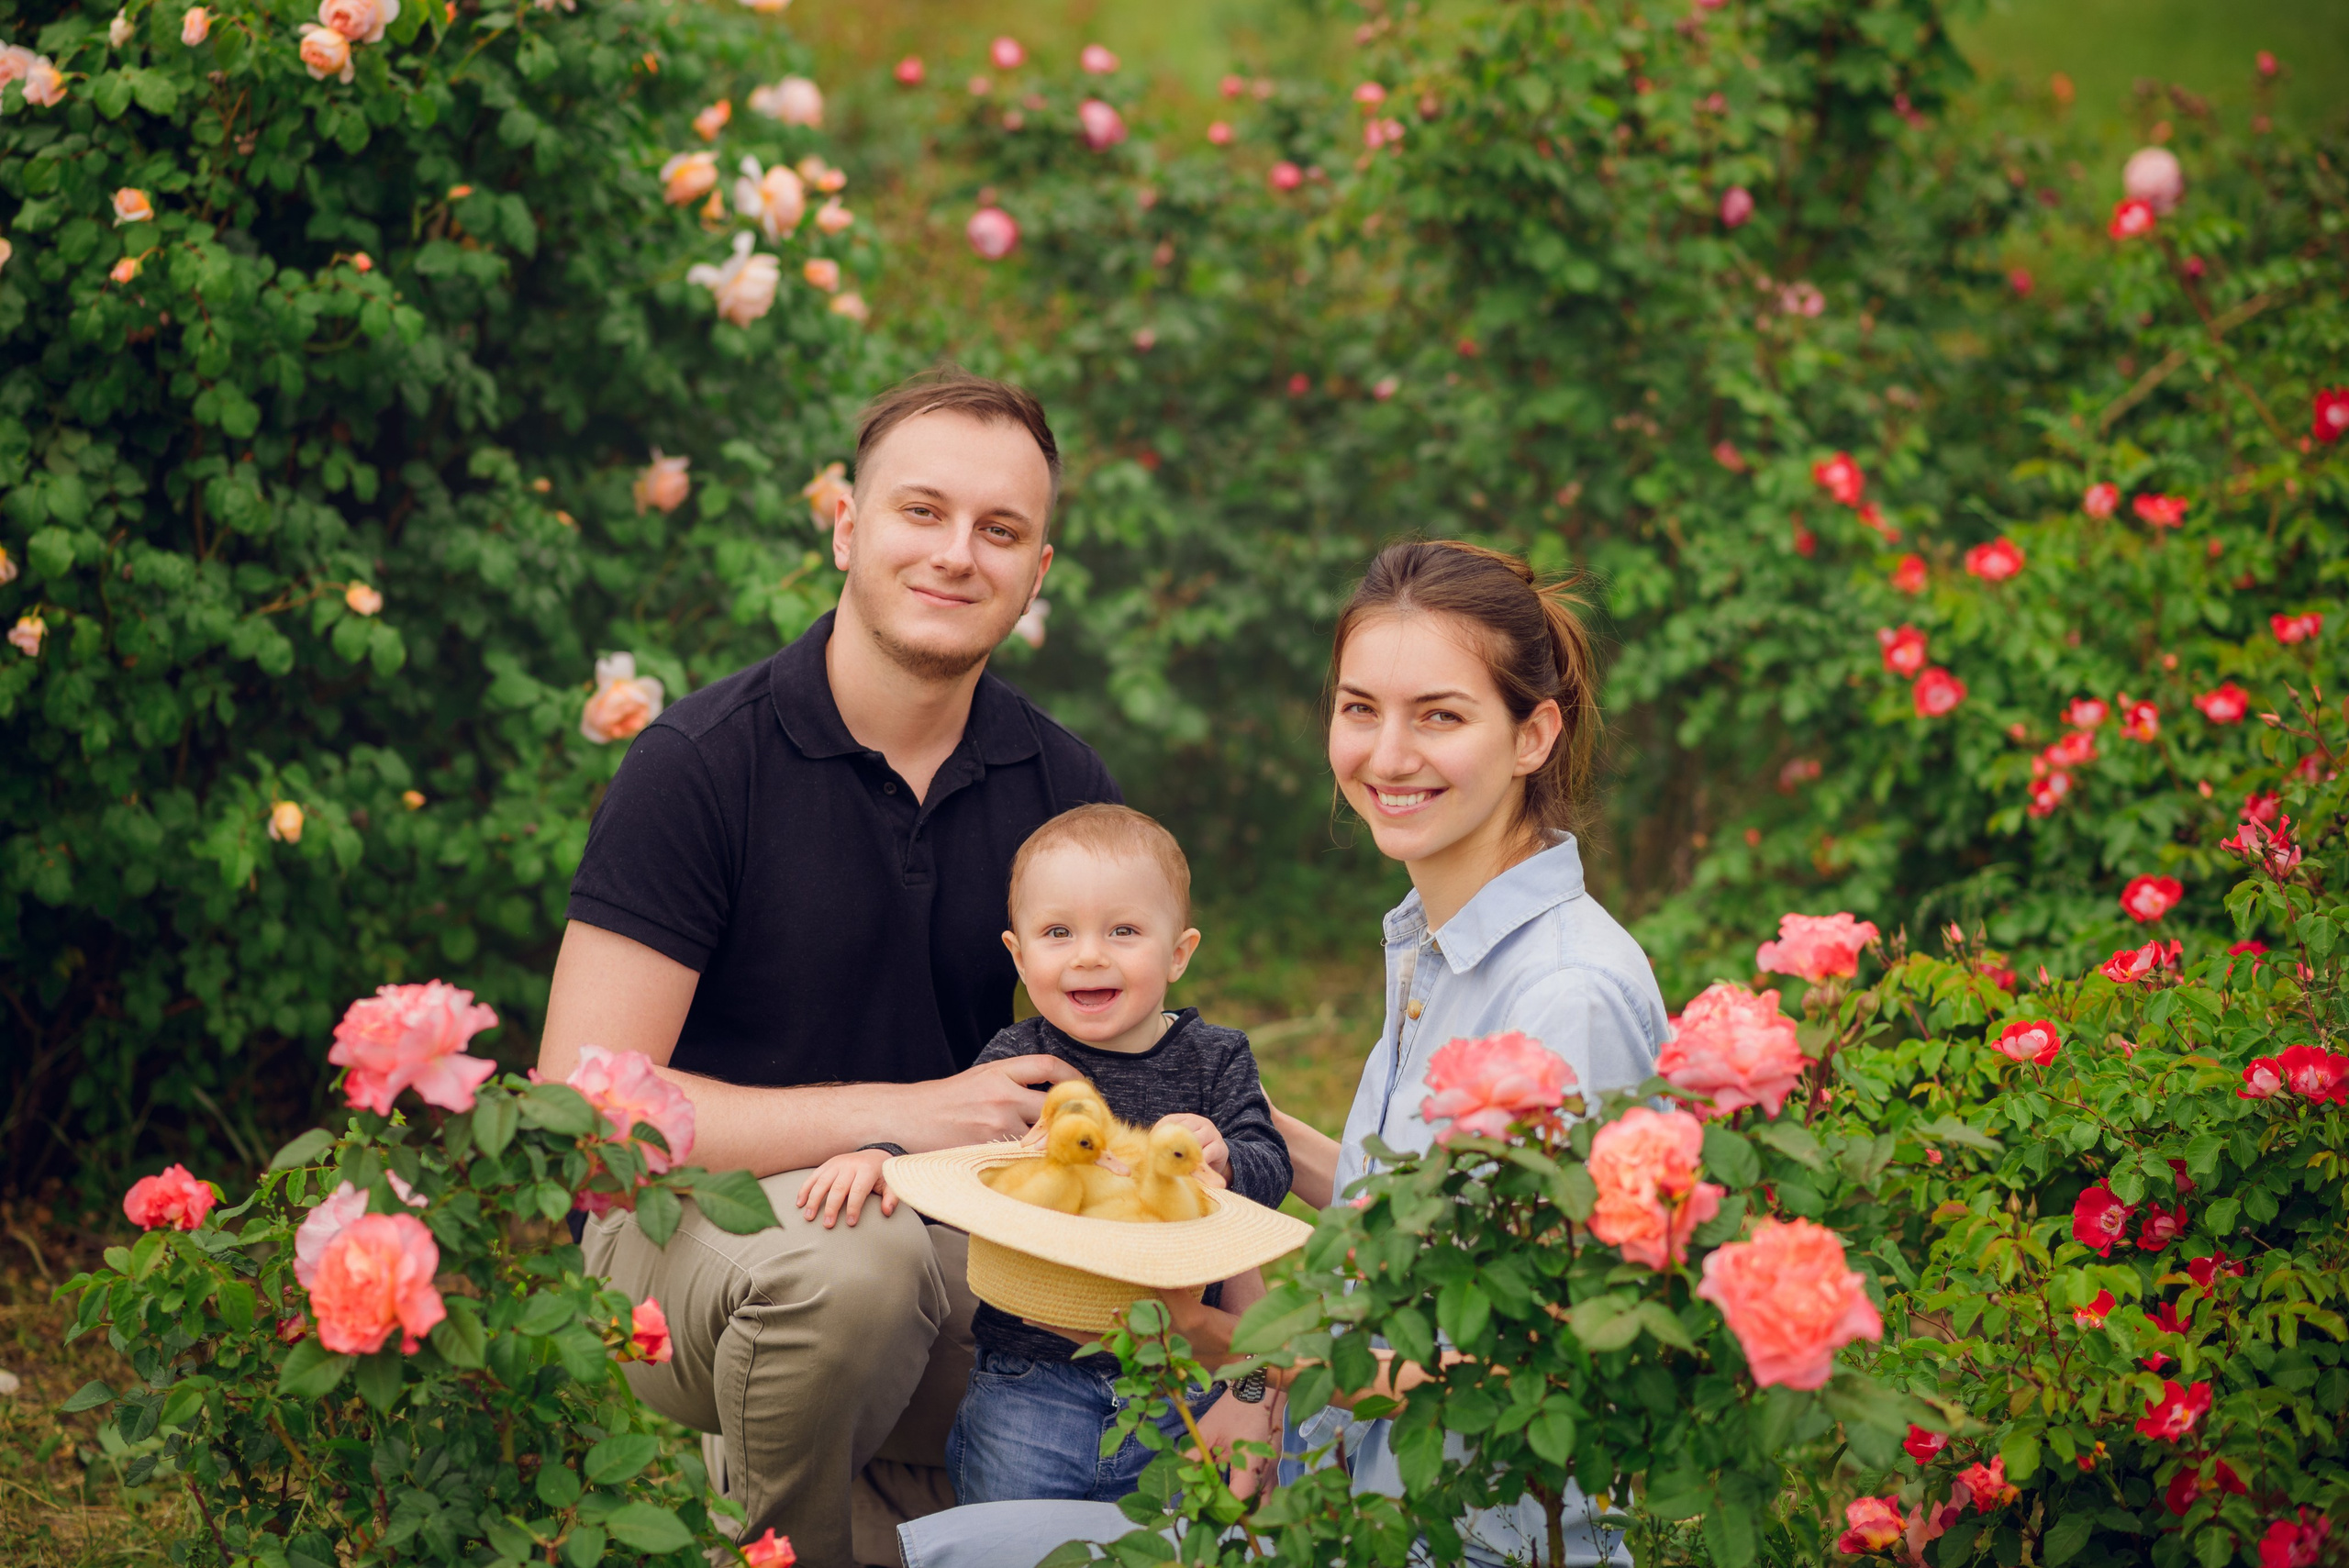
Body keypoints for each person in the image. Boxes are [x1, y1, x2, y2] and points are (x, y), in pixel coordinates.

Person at [896, 538, 1666, 1568]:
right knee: (944, 1543)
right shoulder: (1436, 948)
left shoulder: (1564, 996)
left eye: (1439, 714)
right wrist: (1209, 1136)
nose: (1386, 756)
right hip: (1343, 1476)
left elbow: (1529, 1379)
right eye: (1360, 708)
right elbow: (1423, 1226)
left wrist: (1230, 1357)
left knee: (957, 1557)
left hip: (1458, 1533)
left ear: (1533, 734)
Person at [537, 371, 1121, 1567]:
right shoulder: (700, 765)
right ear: (849, 528)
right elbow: (585, 1118)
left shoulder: (1060, 787)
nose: (958, 554)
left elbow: (1132, 1081)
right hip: (689, 1223)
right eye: (922, 512)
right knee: (852, 1269)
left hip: (947, 1226)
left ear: (1037, 571)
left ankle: (896, 1497)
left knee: (1132, 1316)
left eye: (999, 530)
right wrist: (902, 1116)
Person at [798, 804, 1292, 1505]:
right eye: (1058, 932)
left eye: (1123, 930)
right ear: (1018, 954)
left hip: (1180, 1376)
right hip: (1031, 1380)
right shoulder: (1019, 1059)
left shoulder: (1214, 1059)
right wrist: (881, 1154)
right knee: (1015, 1537)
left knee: (1180, 1535)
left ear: (1179, 951)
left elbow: (1270, 1167)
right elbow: (952, 1147)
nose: (1089, 954)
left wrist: (1232, 1157)